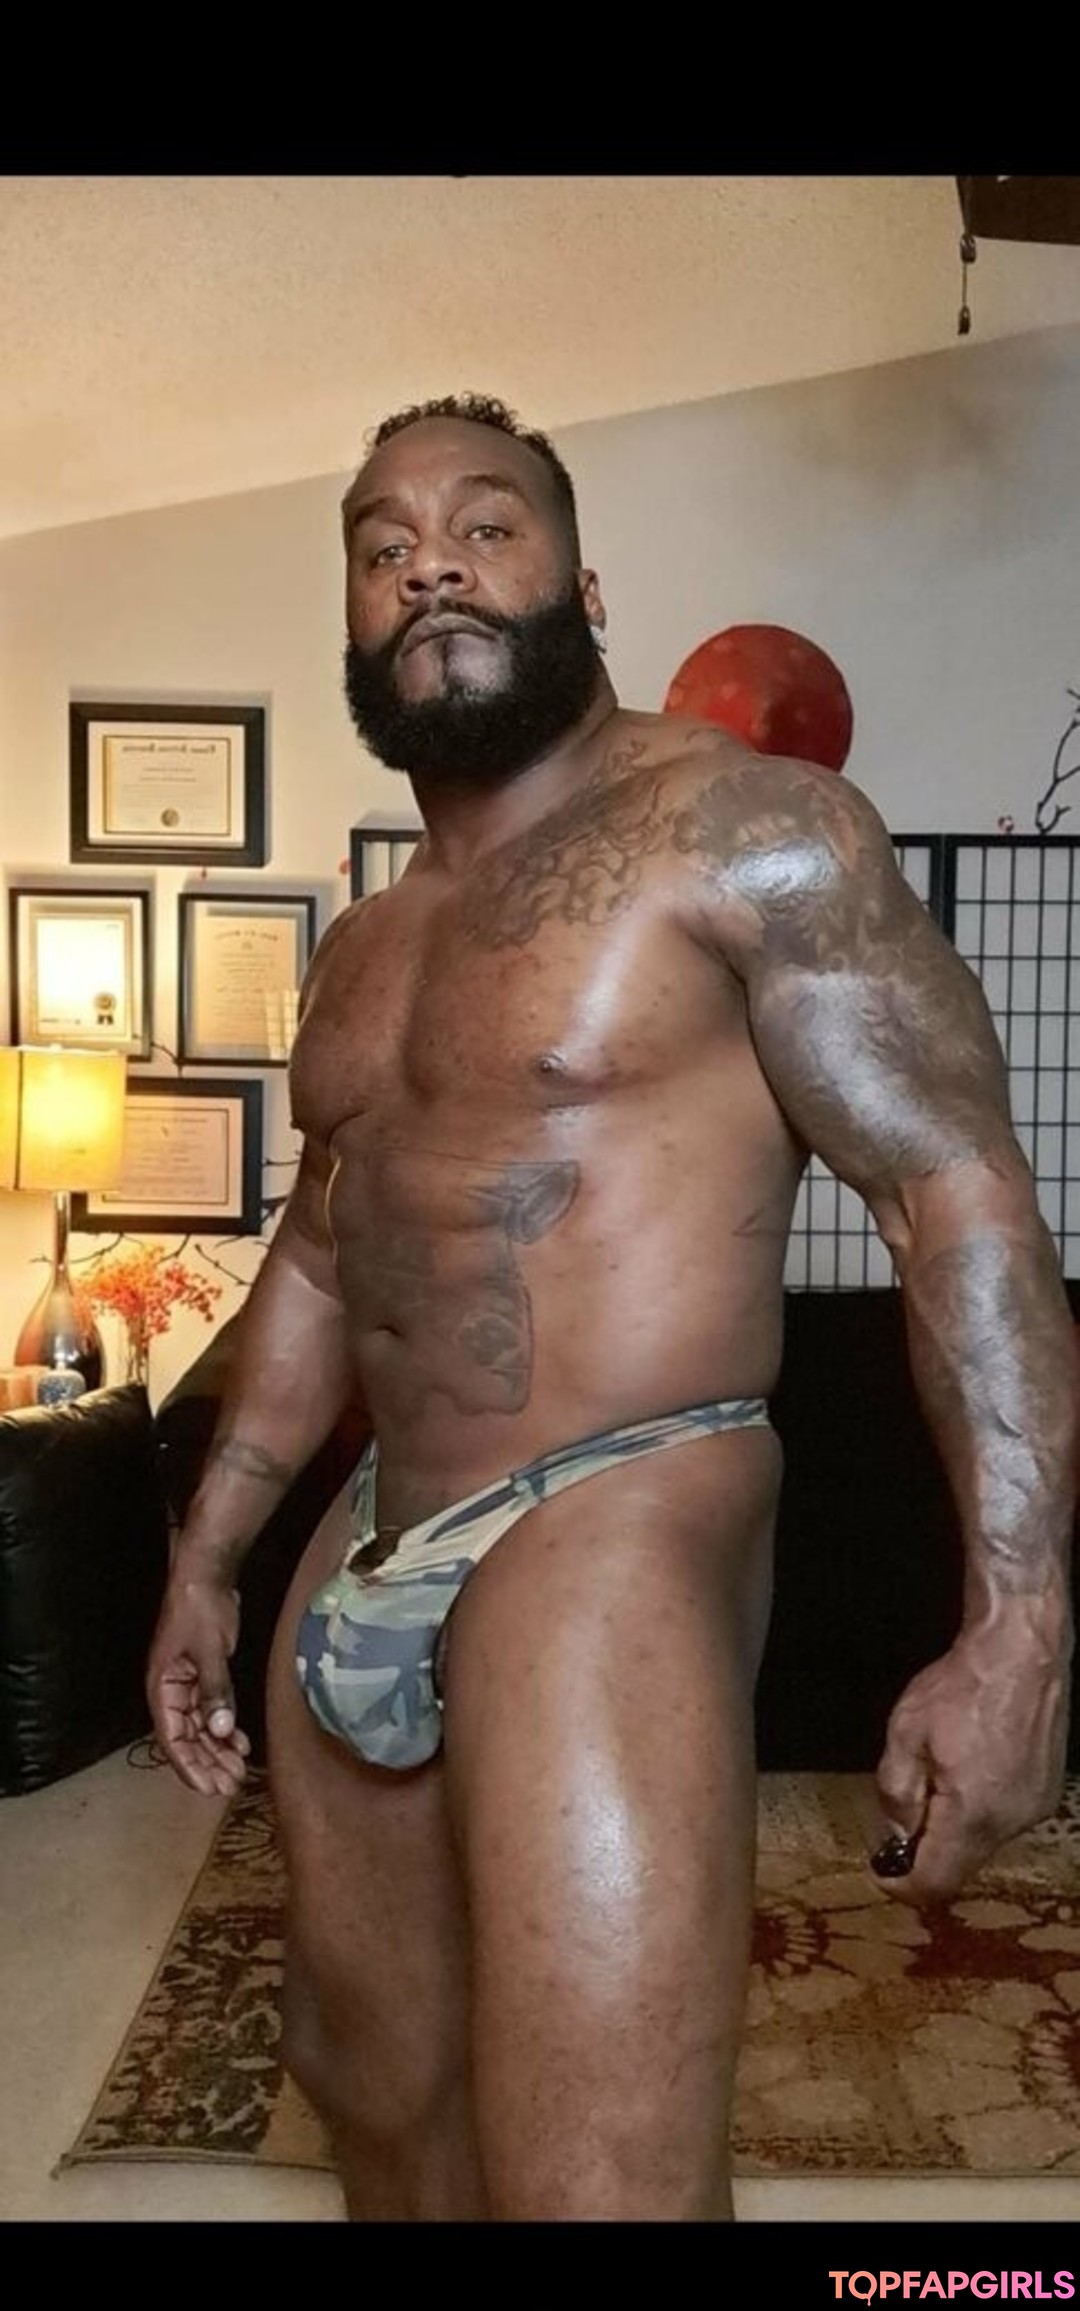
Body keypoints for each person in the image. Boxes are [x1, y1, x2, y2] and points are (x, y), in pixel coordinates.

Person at [147, 391, 1078, 2223]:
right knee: (379, 2098)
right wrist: (206, 1555)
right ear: (354, 618)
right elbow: (325, 1256)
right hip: (376, 1521)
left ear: (583, 588)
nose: (430, 564)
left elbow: (950, 1192)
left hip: (615, 1501)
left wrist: (1021, 1622)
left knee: (597, 2183)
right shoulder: (368, 946)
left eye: (485, 525)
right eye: (384, 545)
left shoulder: (749, 833)